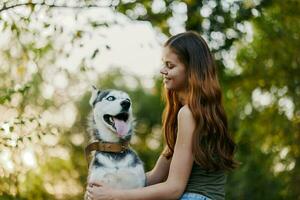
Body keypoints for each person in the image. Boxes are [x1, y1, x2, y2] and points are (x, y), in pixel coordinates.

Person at [86, 31, 237, 200]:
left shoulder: (188, 114)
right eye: (163, 64)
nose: (162, 70)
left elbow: (174, 188)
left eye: (170, 66)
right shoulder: (203, 113)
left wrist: (116, 196)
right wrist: (108, 184)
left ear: (191, 71)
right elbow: (155, 177)